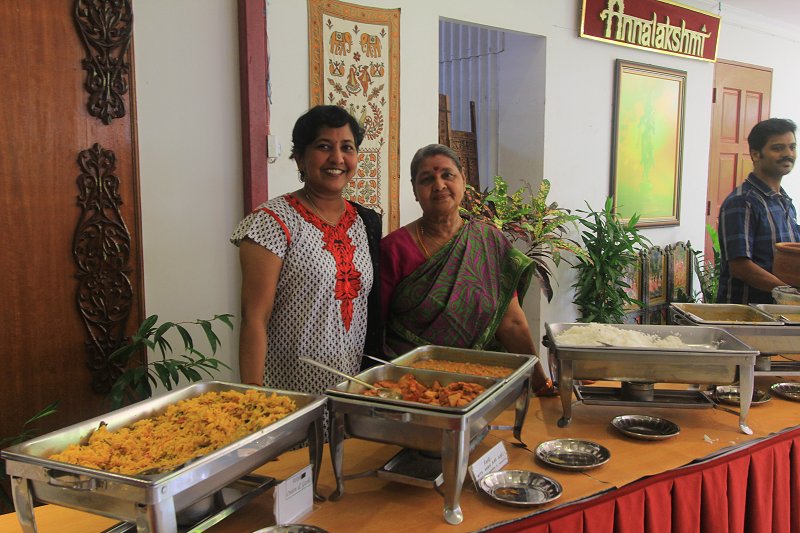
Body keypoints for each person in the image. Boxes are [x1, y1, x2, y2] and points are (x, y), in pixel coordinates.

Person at [230, 105, 381, 397]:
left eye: (347, 147)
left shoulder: (365, 222)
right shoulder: (272, 221)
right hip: (290, 392)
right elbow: (254, 319)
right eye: (324, 146)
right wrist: (253, 398)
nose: (337, 158)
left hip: (353, 388)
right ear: (299, 157)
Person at [381, 144, 555, 395]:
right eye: (427, 179)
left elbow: (512, 322)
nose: (439, 185)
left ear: (464, 180)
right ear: (415, 191)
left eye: (447, 175)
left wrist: (540, 381)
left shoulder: (490, 241)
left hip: (482, 386)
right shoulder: (394, 249)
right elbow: (377, 329)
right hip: (414, 387)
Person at [717, 118, 800, 304]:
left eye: (792, 147)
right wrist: (788, 294)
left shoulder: (784, 201)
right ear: (756, 154)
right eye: (778, 148)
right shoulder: (743, 202)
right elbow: (740, 267)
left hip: (779, 316)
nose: (788, 154)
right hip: (746, 318)